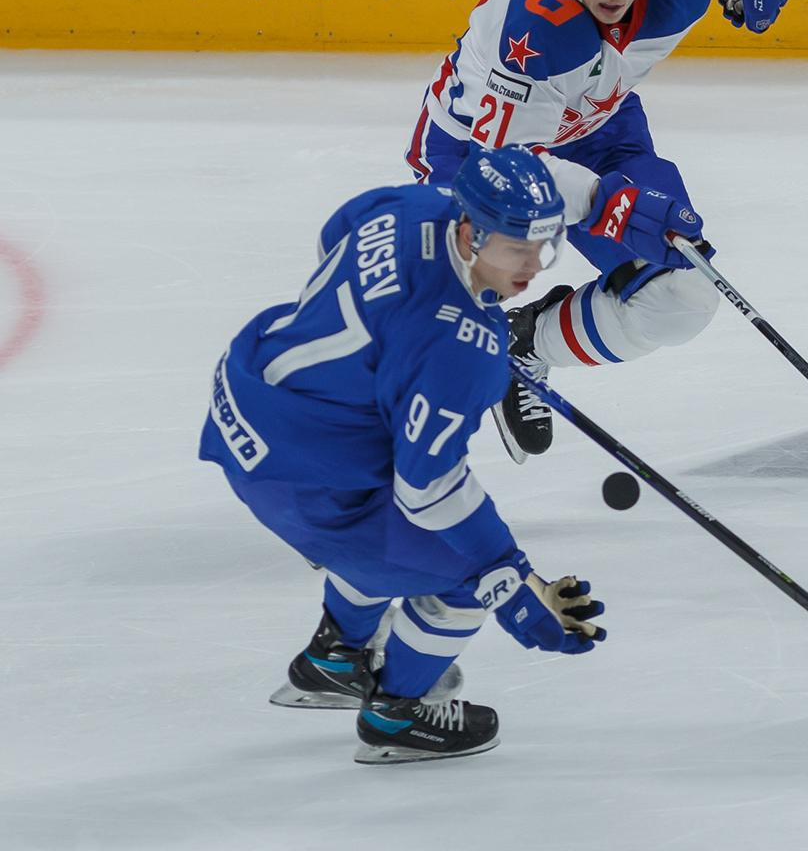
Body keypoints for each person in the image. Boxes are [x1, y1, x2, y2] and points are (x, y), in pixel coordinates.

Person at [198, 146, 610, 764]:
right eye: (517, 248)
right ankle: (396, 715)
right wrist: (513, 581)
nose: (534, 267)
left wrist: (403, 339)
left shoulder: (414, 205)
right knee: (460, 571)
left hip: (251, 394)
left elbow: (335, 235)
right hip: (300, 477)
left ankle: (335, 657)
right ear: (471, 231)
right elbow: (430, 489)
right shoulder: (461, 346)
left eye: (544, 246)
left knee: (383, 511)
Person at [403, 0, 794, 462]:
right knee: (434, 329)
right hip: (476, 160)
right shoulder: (538, 29)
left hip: (601, 129)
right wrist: (610, 204)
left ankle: (527, 346)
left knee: (683, 297)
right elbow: (511, 169)